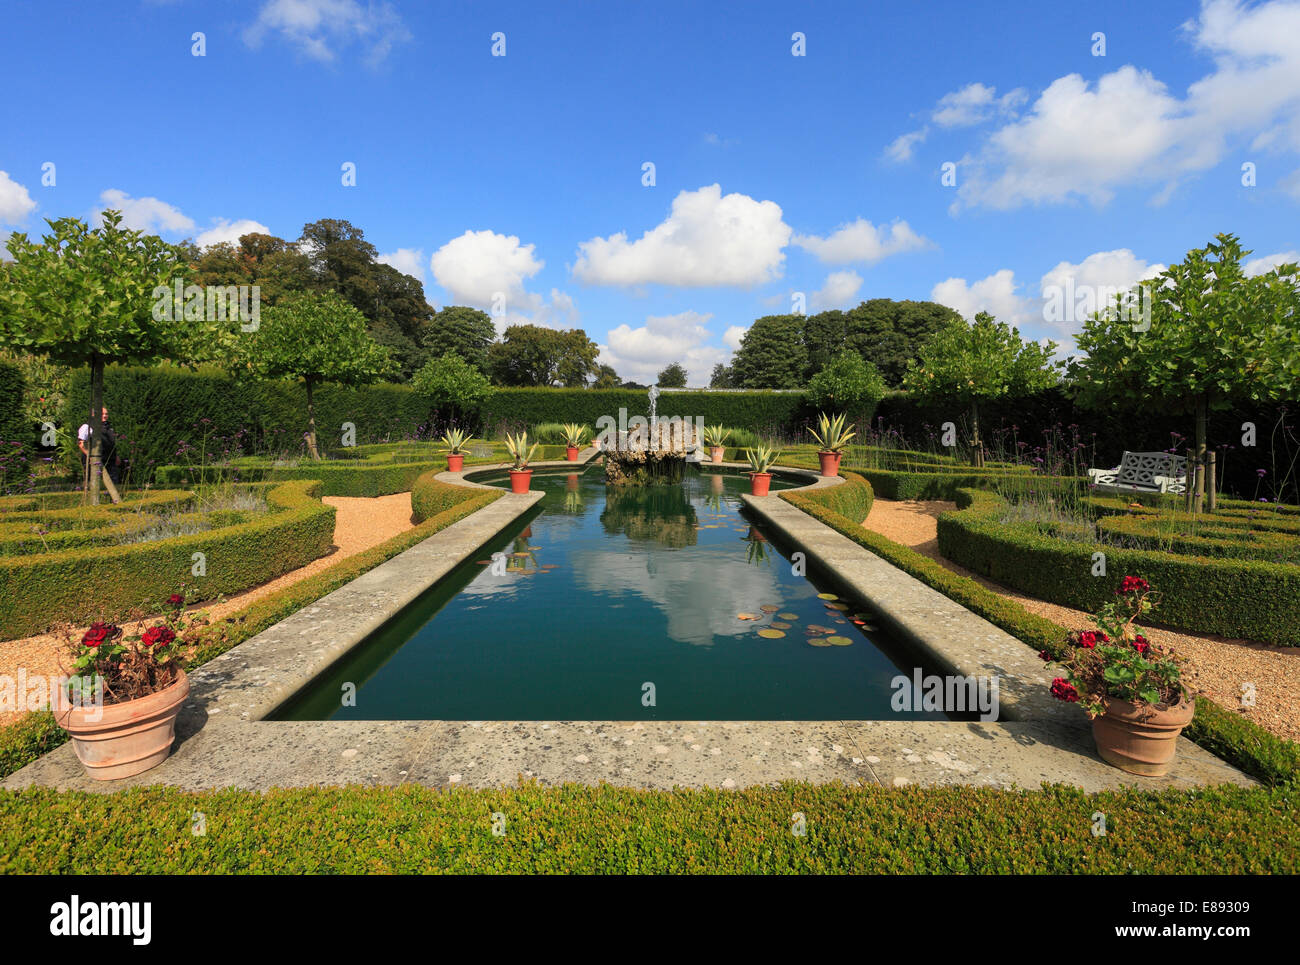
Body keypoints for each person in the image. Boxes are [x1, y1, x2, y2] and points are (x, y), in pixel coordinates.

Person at [78, 406, 122, 487]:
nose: (105, 416)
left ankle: (112, 499)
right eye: (102, 414)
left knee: (113, 484)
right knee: (92, 485)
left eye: (106, 414)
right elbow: (81, 444)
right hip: (95, 461)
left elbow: (111, 444)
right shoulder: (87, 427)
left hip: (110, 460)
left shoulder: (109, 428)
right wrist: (90, 456)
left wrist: (116, 456)